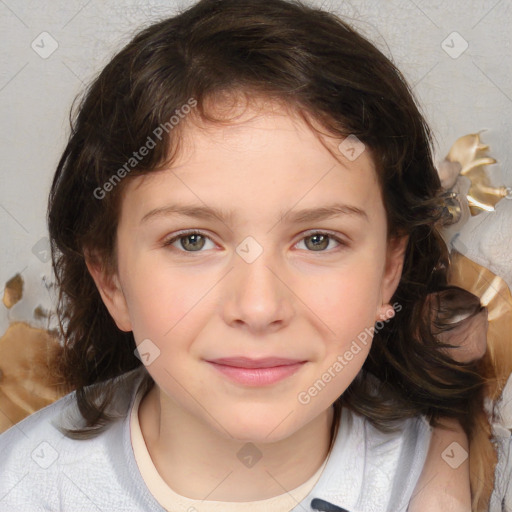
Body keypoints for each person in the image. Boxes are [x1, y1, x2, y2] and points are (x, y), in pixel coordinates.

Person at [0, 0, 500, 510]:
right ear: (111, 280)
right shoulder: (24, 486)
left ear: (389, 269)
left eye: (318, 240)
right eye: (192, 240)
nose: (259, 308)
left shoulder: (461, 472)